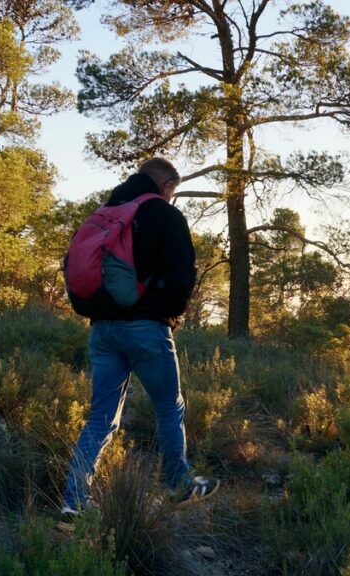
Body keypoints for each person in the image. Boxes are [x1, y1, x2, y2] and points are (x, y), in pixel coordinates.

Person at [61, 157, 219, 523]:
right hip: (146, 327)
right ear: (165, 185)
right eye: (172, 192)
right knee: (168, 406)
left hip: (102, 329)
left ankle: (73, 501)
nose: (172, 198)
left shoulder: (105, 212)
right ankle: (176, 483)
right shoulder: (163, 213)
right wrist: (168, 310)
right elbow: (183, 274)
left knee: (100, 417)